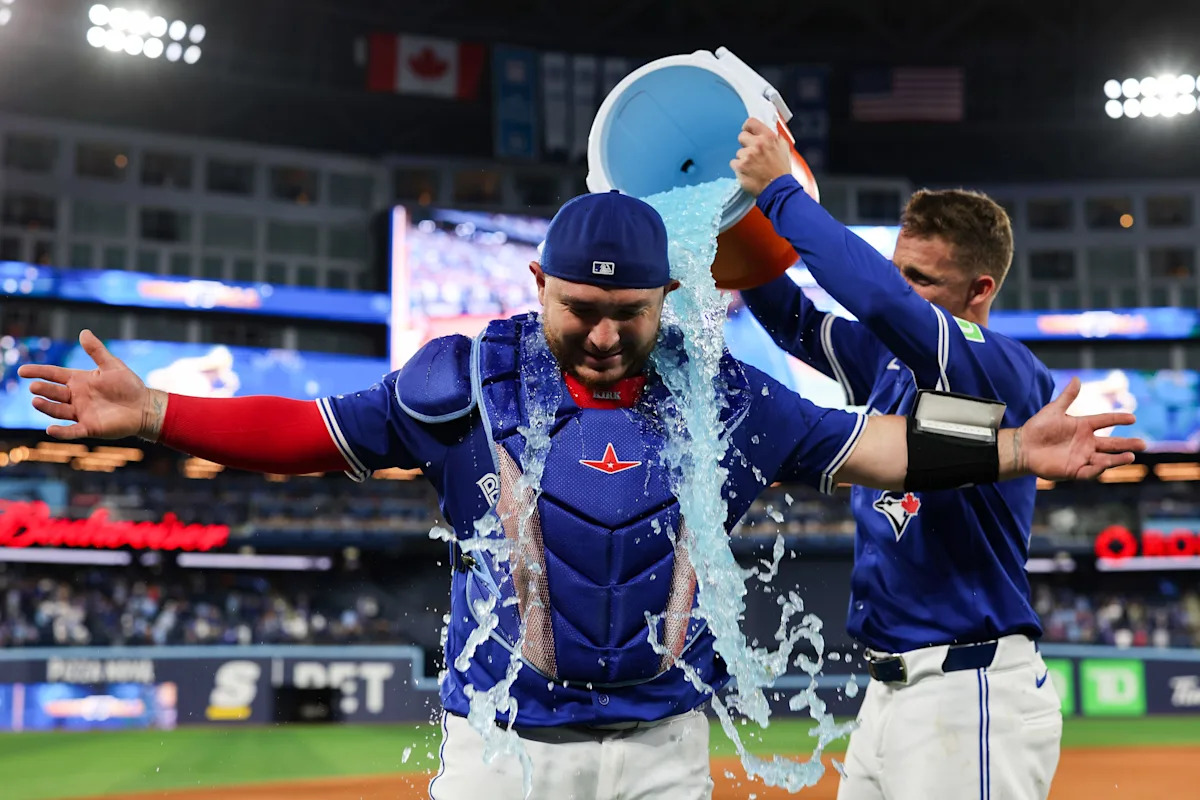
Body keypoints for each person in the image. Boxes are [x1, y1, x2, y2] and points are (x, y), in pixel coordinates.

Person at [19, 190, 1140, 800]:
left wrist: (1011, 445)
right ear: (536, 285)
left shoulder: (728, 399)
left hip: (662, 750)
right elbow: (313, 432)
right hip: (503, 751)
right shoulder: (466, 379)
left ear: (667, 298)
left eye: (630, 313)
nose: (604, 335)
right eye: (579, 310)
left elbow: (883, 446)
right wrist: (156, 410)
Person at [732, 117, 1070, 800]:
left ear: (980, 291)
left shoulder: (996, 367)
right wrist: (734, 232)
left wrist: (780, 194)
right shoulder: (892, 364)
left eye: (923, 279)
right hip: (889, 693)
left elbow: (880, 302)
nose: (902, 291)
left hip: (970, 691)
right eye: (899, 272)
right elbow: (797, 321)